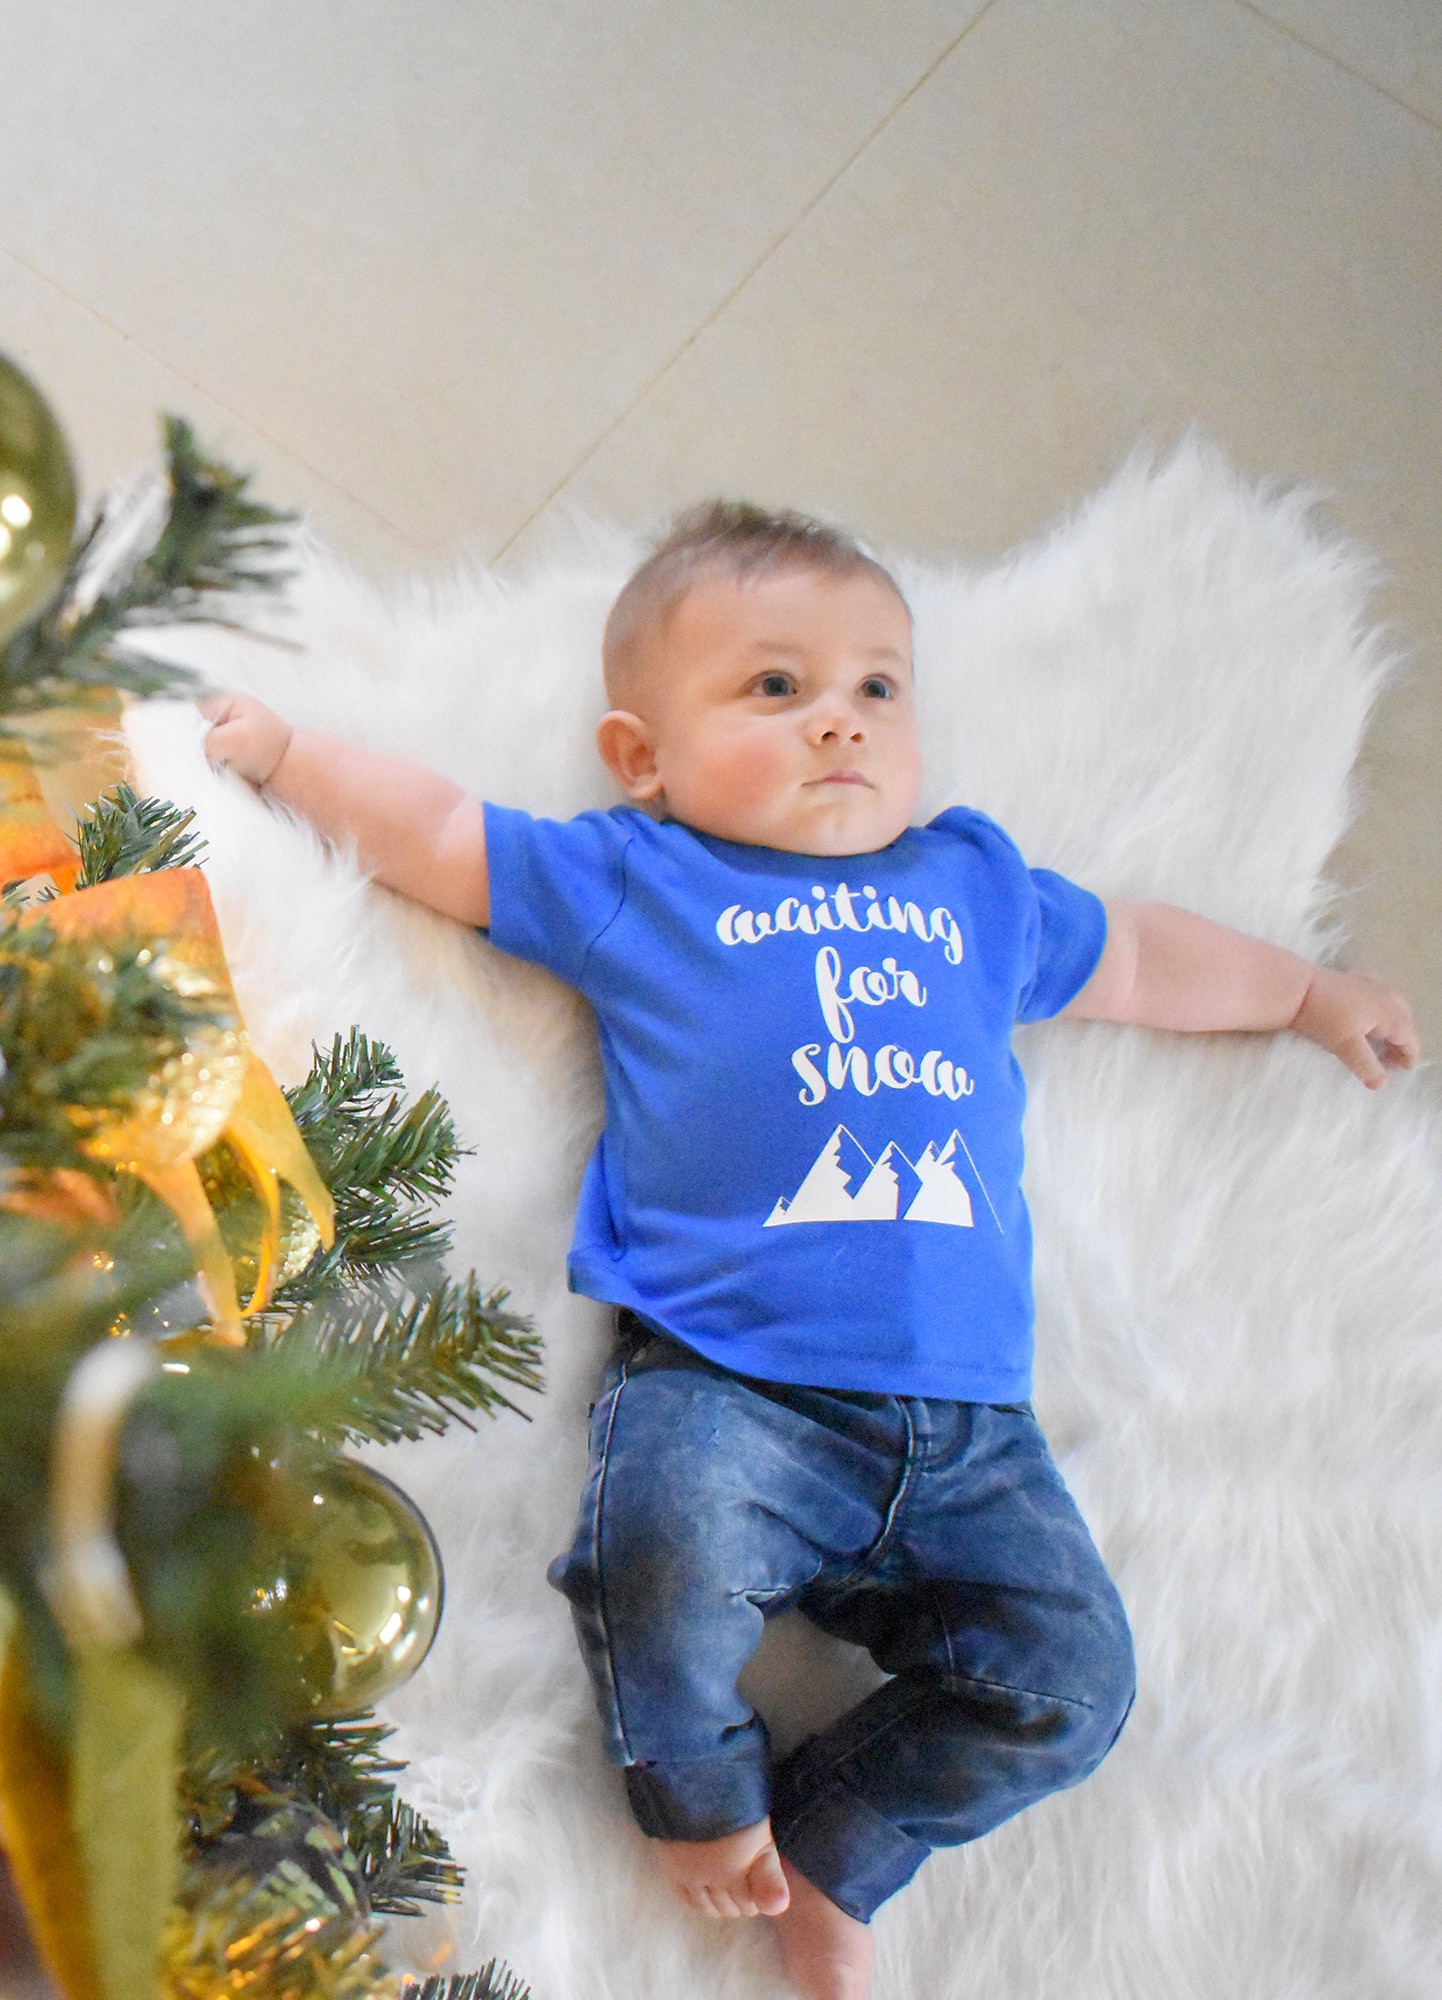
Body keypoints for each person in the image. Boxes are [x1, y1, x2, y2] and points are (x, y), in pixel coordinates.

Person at [199, 502, 1420, 1998]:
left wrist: (1301, 992)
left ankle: (840, 1844)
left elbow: (1148, 956)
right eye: (775, 689)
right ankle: (700, 1801)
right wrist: (286, 757)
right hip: (728, 1390)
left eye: (876, 688)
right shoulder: (644, 879)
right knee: (656, 1568)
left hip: (972, 1427)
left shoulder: (971, 887)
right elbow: (449, 838)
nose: (838, 723)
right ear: (644, 759)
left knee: (1075, 1680)